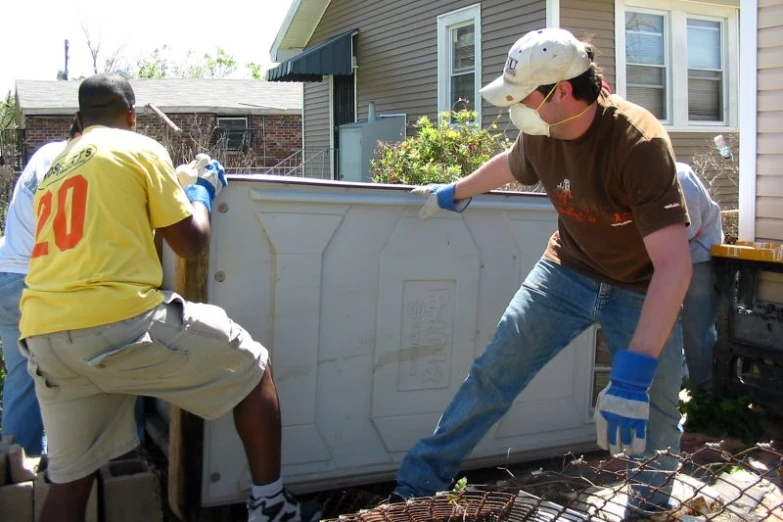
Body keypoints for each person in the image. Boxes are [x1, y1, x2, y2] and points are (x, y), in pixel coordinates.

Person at [396, 28, 693, 516]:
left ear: (565, 92)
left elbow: (675, 266)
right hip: (567, 272)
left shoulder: (637, 143)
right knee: (494, 373)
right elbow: (513, 164)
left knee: (655, 414)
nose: (515, 107)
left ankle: (648, 510)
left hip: (642, 287)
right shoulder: (542, 128)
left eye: (524, 96)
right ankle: (417, 486)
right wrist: (456, 190)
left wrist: (634, 372)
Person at [17, 73, 320, 522]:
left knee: (72, 477)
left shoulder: (56, 166)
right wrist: (201, 193)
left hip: (46, 336)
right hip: (116, 323)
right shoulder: (137, 147)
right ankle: (271, 507)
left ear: (79, 119)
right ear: (132, 116)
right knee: (254, 368)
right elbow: (190, 244)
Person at [0, 120, 80, 456]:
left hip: (7, 275)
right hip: (40, 280)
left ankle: (17, 477)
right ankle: (83, 469)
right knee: (90, 374)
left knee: (22, 381)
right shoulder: (84, 162)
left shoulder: (47, 152)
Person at [676, 161, 723, 391]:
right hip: (671, 261)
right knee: (671, 327)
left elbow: (689, 229)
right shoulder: (643, 181)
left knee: (697, 329)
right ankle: (682, 387)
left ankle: (706, 395)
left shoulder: (681, 177)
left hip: (700, 260)